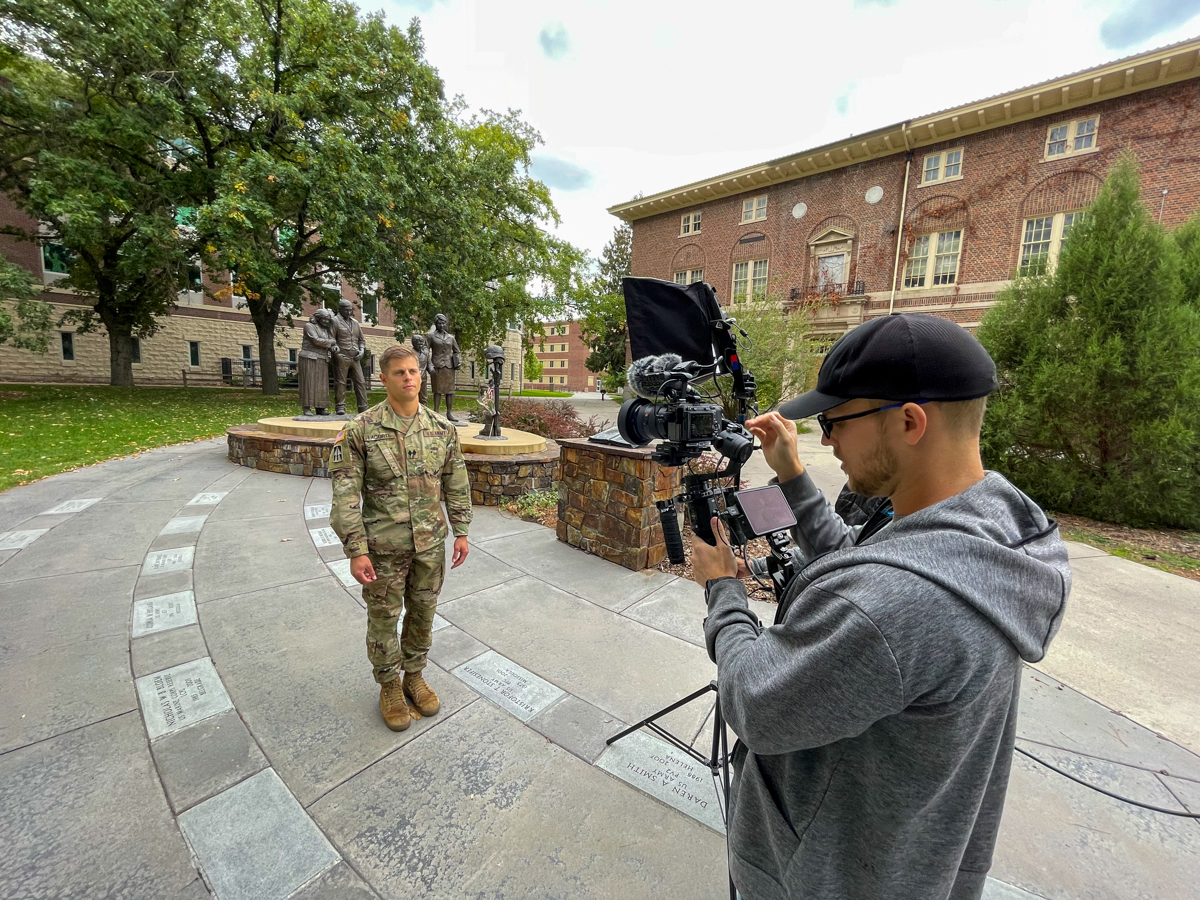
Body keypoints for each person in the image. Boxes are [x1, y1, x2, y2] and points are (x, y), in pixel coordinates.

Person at [689, 313, 1071, 900]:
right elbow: (860, 557)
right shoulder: (985, 529)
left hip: (821, 879)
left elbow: (755, 702)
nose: (827, 440)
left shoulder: (894, 605)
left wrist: (723, 591)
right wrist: (790, 473)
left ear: (910, 421)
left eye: (836, 421)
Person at [329, 343, 472, 732]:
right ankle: (389, 685)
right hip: (383, 548)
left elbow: (456, 481)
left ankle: (414, 675)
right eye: (399, 372)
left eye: (413, 371)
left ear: (421, 376)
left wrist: (461, 530)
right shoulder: (360, 430)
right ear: (383, 378)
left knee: (424, 613)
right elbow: (345, 496)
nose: (408, 378)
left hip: (430, 545)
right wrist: (356, 550)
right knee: (383, 617)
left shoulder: (442, 429)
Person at [332, 299, 369, 415]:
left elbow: (361, 340)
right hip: (342, 356)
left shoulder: (355, 323)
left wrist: (362, 350)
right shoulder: (335, 321)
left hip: (356, 357)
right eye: (346, 310)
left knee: (361, 382)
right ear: (340, 309)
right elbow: (331, 338)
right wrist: (337, 353)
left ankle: (363, 408)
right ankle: (340, 407)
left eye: (350, 310)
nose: (349, 312)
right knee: (341, 383)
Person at [298, 308, 336, 415]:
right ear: (318, 318)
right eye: (324, 319)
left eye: (328, 320)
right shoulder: (309, 326)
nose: (326, 322)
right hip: (309, 357)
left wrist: (333, 347)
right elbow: (316, 341)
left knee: (321, 384)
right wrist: (332, 342)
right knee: (309, 382)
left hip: (322, 358)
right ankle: (306, 408)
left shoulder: (326, 329)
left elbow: (330, 343)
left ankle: (320, 407)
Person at [427, 313, 462, 420]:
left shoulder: (451, 337)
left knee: (450, 391)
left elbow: (457, 351)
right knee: (437, 390)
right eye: (439, 323)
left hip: (449, 366)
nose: (441, 325)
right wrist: (429, 365)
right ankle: (436, 412)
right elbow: (425, 351)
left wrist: (458, 361)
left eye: (443, 323)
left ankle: (449, 413)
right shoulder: (431, 336)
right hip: (437, 366)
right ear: (435, 324)